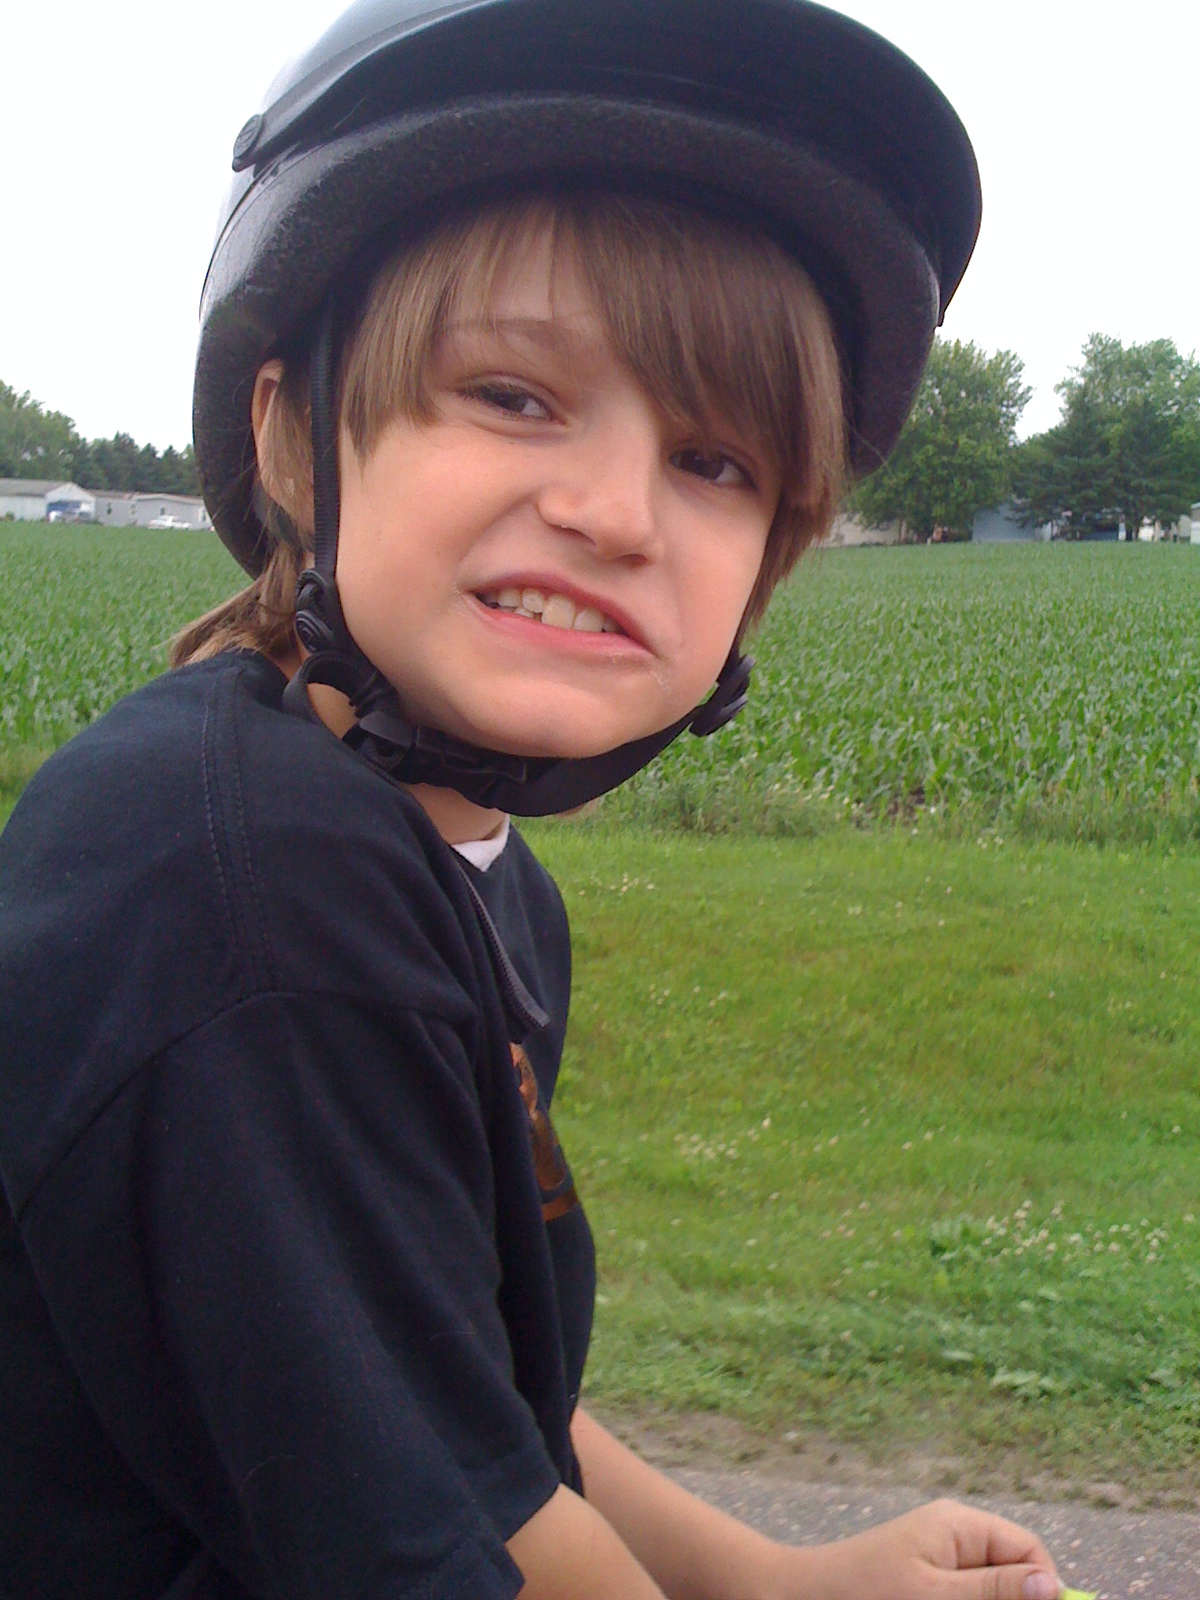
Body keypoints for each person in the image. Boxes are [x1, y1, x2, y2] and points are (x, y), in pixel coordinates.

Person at [0, 2, 1066, 1597]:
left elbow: (467, 1403)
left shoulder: (474, 879)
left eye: (716, 461)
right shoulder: (243, 883)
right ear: (293, 438)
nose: (613, 511)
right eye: (513, 394)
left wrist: (773, 1580)